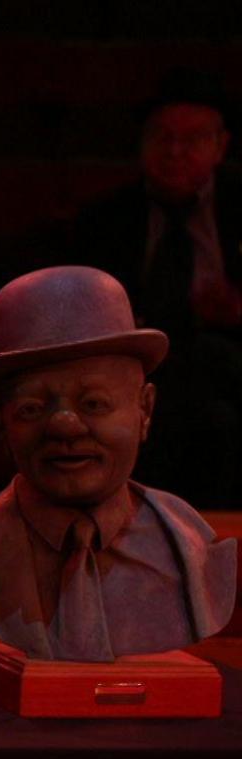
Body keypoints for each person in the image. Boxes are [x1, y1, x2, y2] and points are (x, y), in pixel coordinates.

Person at [0, 267, 235, 660]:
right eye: (31, 409)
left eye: (93, 403)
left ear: (145, 409)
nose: (64, 426)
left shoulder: (190, 548)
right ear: (1, 426)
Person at [74, 67, 242, 507]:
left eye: (192, 140)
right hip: (135, 367)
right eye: (161, 138)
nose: (174, 152)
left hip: (228, 367)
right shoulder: (105, 220)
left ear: (221, 146)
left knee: (214, 398)